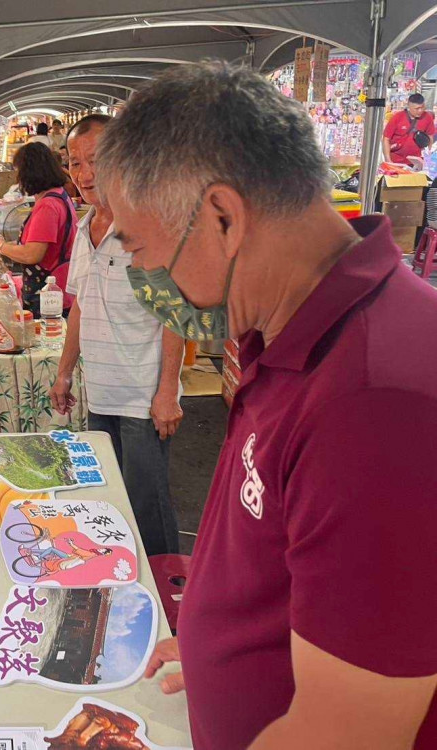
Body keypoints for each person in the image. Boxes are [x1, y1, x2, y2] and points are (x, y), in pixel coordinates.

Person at [99, 62, 437, 749]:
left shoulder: (377, 404)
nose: (137, 273)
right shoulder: (281, 332)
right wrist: (215, 636)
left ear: (222, 216)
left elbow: (347, 735)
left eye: (136, 246)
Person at [50, 114, 182, 558]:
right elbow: (81, 306)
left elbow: (173, 316)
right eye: (75, 163)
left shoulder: (148, 225)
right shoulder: (85, 227)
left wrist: (167, 392)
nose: (85, 174)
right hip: (101, 394)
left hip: (142, 398)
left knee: (149, 508)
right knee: (109, 504)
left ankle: (170, 600)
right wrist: (65, 373)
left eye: (96, 161)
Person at [0, 142, 78, 316]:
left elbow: (32, 254)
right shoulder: (58, 194)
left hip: (49, 295)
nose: (18, 178)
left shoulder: (48, 205)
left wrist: (1, 247)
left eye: (19, 172)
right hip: (59, 288)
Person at [383, 93, 435, 165]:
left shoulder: (427, 117)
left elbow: (430, 137)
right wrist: (388, 160)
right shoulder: (397, 117)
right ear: (409, 107)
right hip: (396, 161)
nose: (420, 110)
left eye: (422, 107)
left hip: (417, 161)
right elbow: (386, 138)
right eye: (417, 108)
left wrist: (427, 157)